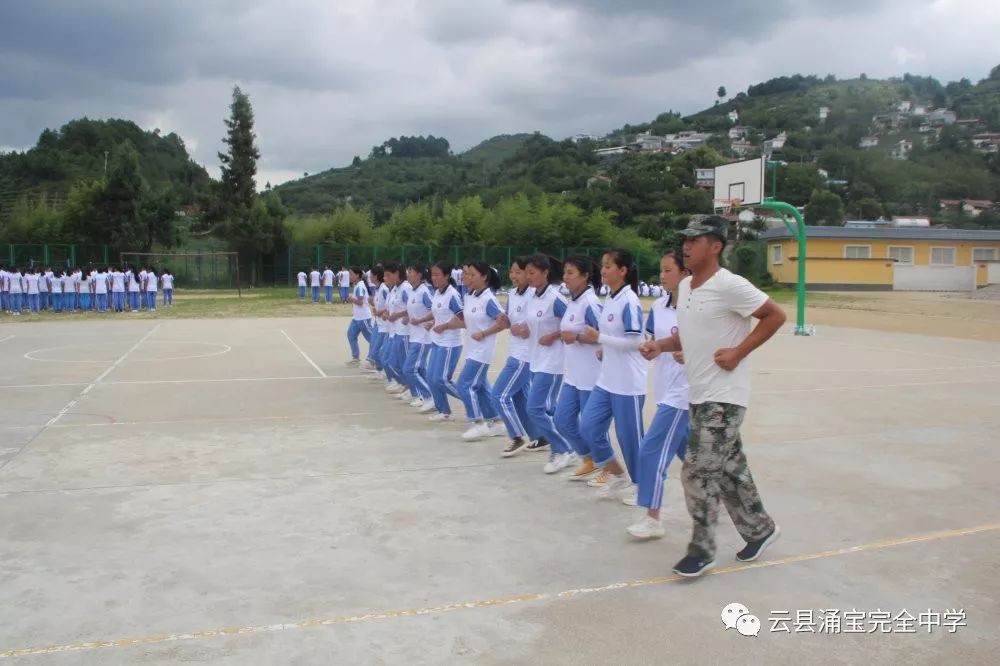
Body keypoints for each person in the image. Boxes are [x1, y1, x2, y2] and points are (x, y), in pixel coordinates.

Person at [642, 215, 785, 578]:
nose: (687, 246)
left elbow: (774, 315)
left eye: (696, 240)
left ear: (716, 246)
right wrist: (660, 345)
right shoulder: (687, 287)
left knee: (696, 473)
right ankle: (760, 529)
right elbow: (689, 335)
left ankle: (701, 550)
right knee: (730, 470)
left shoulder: (730, 285)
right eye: (685, 240)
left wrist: (738, 352)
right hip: (699, 393)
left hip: (724, 397)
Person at [627, 249, 690, 539]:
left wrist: (690, 354)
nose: (662, 276)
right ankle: (727, 495)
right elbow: (655, 341)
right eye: (661, 270)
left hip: (685, 394)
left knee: (651, 450)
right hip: (665, 390)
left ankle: (653, 517)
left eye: (668, 270)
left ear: (685, 272)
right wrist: (651, 350)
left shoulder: (695, 307)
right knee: (696, 458)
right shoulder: (660, 306)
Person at [578, 249, 647, 504]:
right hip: (607, 380)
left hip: (628, 382)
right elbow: (614, 338)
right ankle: (618, 475)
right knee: (588, 427)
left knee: (630, 439)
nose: (603, 270)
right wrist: (603, 348)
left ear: (623, 271)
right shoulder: (611, 297)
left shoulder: (629, 301)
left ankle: (642, 487)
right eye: (603, 265)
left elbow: (637, 341)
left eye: (609, 266)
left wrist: (600, 339)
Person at [554, 256, 606, 478]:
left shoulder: (591, 303)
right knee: (562, 420)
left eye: (571, 273)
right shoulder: (573, 302)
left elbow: (604, 337)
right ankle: (588, 458)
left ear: (585, 276)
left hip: (590, 376)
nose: (565, 277)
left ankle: (607, 468)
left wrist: (575, 337)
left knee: (592, 428)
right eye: (565, 272)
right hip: (573, 375)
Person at [523, 255, 576, 466]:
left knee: (534, 408)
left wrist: (553, 336)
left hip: (552, 362)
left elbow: (572, 324)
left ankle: (564, 448)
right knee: (550, 409)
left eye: (532, 272)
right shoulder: (532, 296)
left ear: (545, 273)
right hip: (535, 359)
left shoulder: (556, 298)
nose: (529, 276)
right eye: (527, 272)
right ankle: (570, 445)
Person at [449, 261, 506, 441]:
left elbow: (504, 322)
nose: (467, 278)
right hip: (472, 349)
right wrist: (444, 325)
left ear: (484, 277)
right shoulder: (470, 295)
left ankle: (477, 423)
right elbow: (470, 322)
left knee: (464, 385)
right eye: (465, 274)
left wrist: (485, 333)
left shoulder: (488, 299)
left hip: (483, 351)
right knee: (481, 387)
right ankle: (497, 421)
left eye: (472, 274)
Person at [492, 258, 542, 457]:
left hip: (524, 357)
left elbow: (535, 324)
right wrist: (504, 320)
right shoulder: (512, 294)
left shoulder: (534, 295)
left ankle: (516, 436)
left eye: (518, 272)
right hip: (514, 352)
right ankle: (539, 435)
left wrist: (526, 329)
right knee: (520, 398)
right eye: (512, 272)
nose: (513, 276)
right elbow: (509, 322)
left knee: (499, 395)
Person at [426, 262, 464, 422]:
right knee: (430, 377)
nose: (434, 278)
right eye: (432, 275)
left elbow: (463, 320)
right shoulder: (437, 293)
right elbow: (438, 313)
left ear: (447, 276)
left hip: (450, 343)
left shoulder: (452, 295)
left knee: (441, 380)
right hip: (437, 341)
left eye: (437, 275)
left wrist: (445, 326)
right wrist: (429, 322)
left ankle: (473, 400)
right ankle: (444, 411)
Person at [401, 263, 435, 410]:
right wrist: (408, 318)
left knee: (409, 369)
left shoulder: (424, 291)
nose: (408, 274)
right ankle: (428, 396)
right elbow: (415, 311)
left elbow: (435, 310)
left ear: (419, 275)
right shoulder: (413, 291)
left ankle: (428, 396)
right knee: (420, 369)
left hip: (423, 337)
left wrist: (430, 322)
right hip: (414, 335)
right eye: (408, 272)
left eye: (411, 272)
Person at [346, 267, 374, 366]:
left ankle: (373, 360)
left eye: (351, 274)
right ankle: (356, 357)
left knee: (373, 339)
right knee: (351, 335)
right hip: (357, 317)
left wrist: (351, 299)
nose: (349, 276)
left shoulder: (360, 286)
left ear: (357, 275)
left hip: (363, 318)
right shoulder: (358, 285)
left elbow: (361, 302)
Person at [367, 266, 389, 380]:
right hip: (377, 322)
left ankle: (385, 371)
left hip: (384, 325)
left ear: (376, 276)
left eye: (371, 275)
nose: (369, 277)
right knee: (373, 347)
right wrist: (372, 303)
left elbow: (390, 306)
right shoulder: (377, 289)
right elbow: (379, 305)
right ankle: (380, 370)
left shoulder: (384, 289)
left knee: (377, 351)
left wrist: (381, 312)